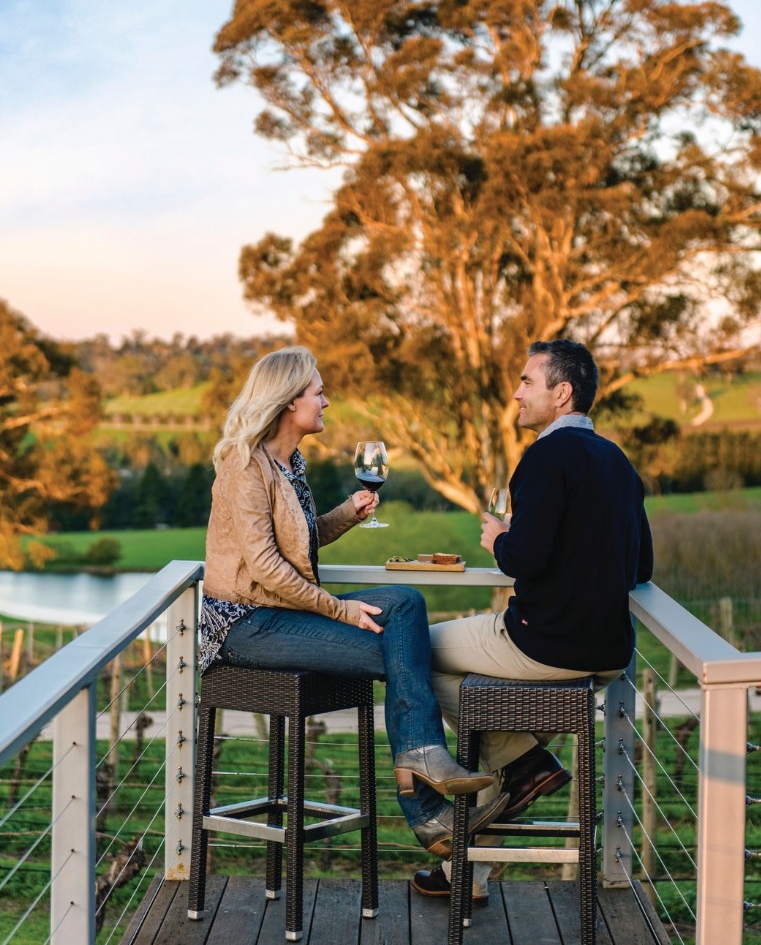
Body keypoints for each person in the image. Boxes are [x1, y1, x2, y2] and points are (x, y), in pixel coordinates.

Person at [203, 346, 492, 828]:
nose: (327, 402)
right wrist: (340, 610)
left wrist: (345, 516)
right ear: (291, 400)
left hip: (282, 613)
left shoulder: (288, 465)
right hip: (245, 625)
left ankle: (422, 764)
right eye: (319, 392)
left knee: (406, 603)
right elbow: (267, 566)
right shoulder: (244, 464)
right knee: (407, 652)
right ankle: (426, 806)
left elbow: (298, 540)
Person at [408, 339, 653, 901]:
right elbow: (642, 565)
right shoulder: (616, 460)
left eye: (527, 382)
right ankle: (467, 873)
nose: (516, 392)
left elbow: (524, 560)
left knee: (409, 649)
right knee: (504, 743)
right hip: (607, 655)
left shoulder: (544, 457)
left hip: (540, 645)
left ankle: (517, 761)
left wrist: (501, 539)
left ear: (561, 394)